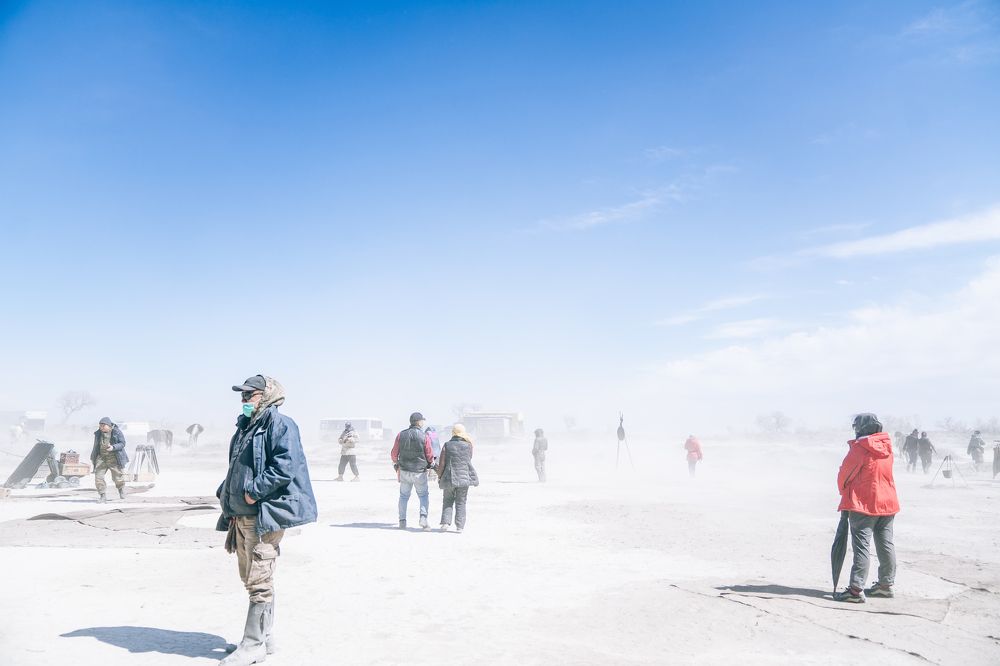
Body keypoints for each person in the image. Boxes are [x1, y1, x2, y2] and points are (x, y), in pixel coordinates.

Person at [216, 375, 317, 666]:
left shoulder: (280, 425)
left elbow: (285, 466)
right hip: (241, 515)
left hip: (263, 514)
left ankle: (252, 645)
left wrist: (252, 493)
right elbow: (239, 465)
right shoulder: (246, 426)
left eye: (251, 395)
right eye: (243, 395)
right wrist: (227, 491)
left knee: (259, 579)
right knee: (251, 578)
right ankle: (265, 636)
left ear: (267, 395)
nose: (245, 400)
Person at [833, 413, 900, 603]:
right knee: (886, 544)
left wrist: (844, 493)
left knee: (862, 546)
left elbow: (844, 476)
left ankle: (855, 590)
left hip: (864, 504)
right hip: (888, 502)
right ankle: (885, 585)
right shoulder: (887, 448)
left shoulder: (860, 449)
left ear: (860, 428)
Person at [391, 412, 434, 529]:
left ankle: (402, 521)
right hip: (419, 472)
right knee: (423, 496)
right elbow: (429, 454)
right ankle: (423, 519)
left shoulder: (401, 434)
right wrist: (431, 464)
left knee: (404, 496)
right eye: (422, 421)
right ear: (419, 422)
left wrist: (397, 463)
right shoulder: (425, 436)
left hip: (404, 470)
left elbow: (394, 453)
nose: (423, 422)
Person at [437, 424, 478, 532]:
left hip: (449, 477)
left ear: (453, 433)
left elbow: (441, 464)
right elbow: (469, 459)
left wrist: (439, 476)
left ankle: (445, 523)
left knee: (447, 500)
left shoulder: (447, 445)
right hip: (464, 477)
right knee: (461, 502)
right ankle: (460, 526)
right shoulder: (469, 445)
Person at [90, 417, 128, 503]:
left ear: (109, 425)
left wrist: (113, 447)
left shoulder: (116, 432)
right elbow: (96, 446)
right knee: (98, 478)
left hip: (114, 458)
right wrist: (93, 457)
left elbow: (122, 443)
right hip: (101, 458)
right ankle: (102, 495)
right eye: (100, 425)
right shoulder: (98, 433)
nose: (101, 427)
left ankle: (121, 490)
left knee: (118, 477)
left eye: (103, 425)